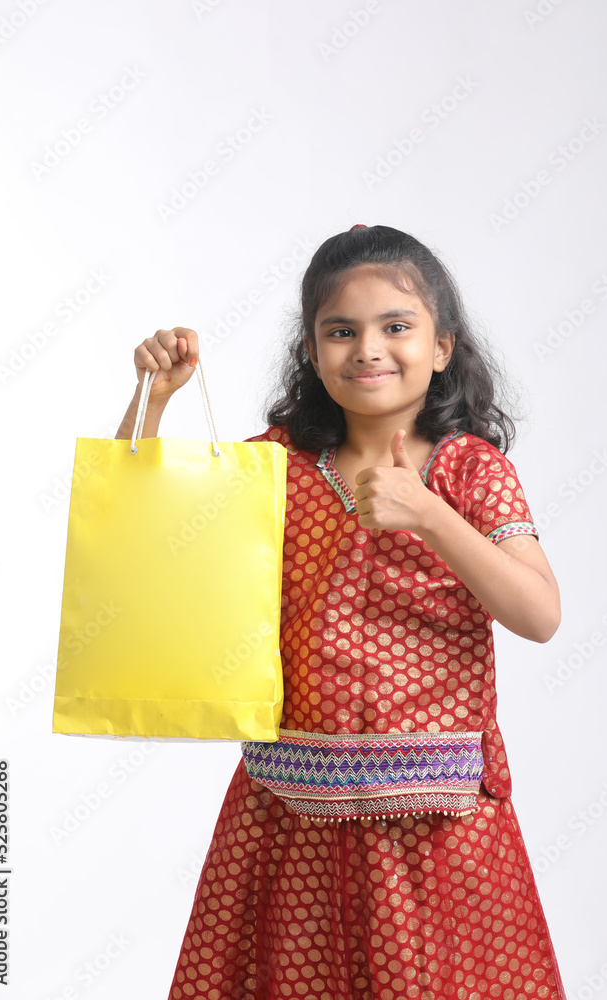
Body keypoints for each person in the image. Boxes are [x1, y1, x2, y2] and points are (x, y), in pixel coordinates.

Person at [116, 224, 567, 1000]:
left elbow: (538, 614)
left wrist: (429, 516)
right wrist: (150, 404)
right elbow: (139, 539)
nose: (368, 348)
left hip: (437, 827)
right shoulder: (277, 465)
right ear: (311, 351)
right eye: (340, 331)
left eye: (396, 327)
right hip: (288, 816)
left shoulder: (468, 470)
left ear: (442, 347)